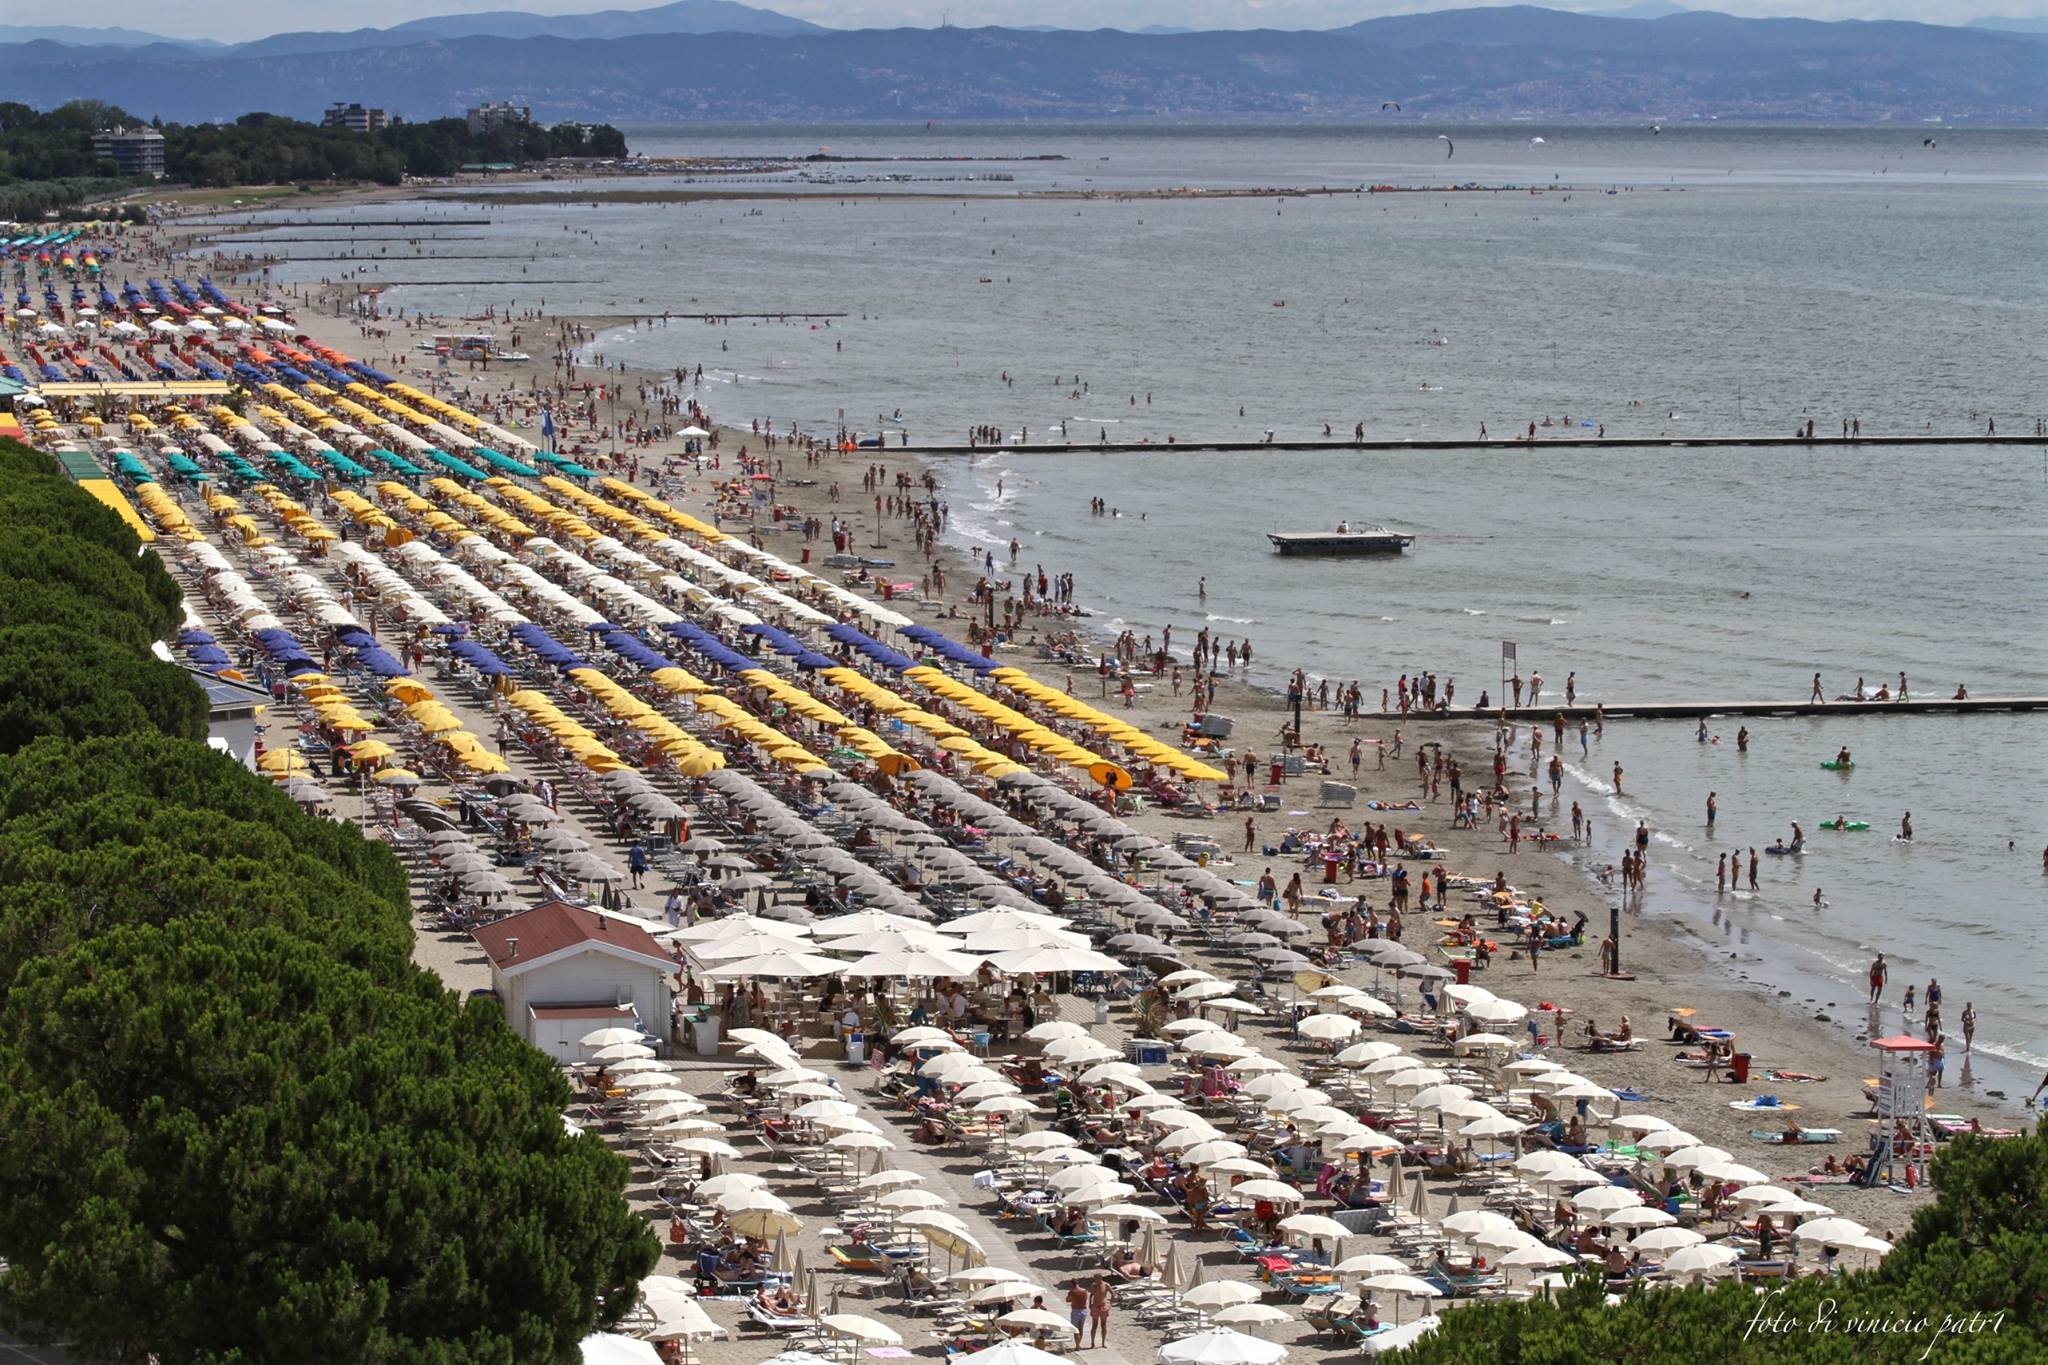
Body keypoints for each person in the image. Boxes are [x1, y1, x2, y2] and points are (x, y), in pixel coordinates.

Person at [1088, 1272, 1113, 1348]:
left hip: (1103, 1306)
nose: (1094, 1280)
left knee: (1103, 1324)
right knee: (1094, 1325)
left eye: (1096, 1278)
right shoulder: (1093, 1285)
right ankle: (1092, 1342)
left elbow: (1113, 1294)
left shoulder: (1106, 1285)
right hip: (1095, 1305)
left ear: (1100, 1278)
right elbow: (1091, 1295)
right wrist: (1090, 1304)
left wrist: (1110, 1304)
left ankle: (1103, 1342)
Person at [1065, 1280, 1089, 1348]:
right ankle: (1079, 1344)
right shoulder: (1084, 1291)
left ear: (1072, 1284)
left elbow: (1067, 1300)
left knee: (1076, 1329)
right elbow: (1085, 1299)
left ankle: (1077, 1345)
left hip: (1076, 1310)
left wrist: (1073, 1300)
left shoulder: (1072, 1292)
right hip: (1084, 1310)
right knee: (1081, 1328)